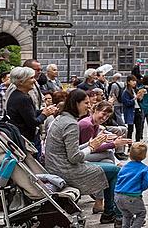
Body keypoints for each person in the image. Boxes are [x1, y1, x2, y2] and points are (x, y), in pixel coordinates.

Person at [44, 89, 122, 225]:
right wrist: (91, 147)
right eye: (86, 103)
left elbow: (70, 151)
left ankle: (111, 212)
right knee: (115, 171)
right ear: (76, 103)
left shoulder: (62, 119)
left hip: (57, 167)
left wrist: (90, 144)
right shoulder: (71, 124)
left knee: (110, 166)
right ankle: (114, 214)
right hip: (66, 170)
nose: (89, 106)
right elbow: (74, 158)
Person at [6, 66, 57, 152]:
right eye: (31, 78)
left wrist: (45, 110)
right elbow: (33, 122)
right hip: (26, 140)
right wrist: (45, 114)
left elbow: (29, 113)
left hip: (23, 137)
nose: (34, 81)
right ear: (21, 82)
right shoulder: (22, 98)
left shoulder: (19, 95)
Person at [114, 142, 148, 228]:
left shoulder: (124, 167)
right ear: (144, 156)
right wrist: (140, 189)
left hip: (118, 196)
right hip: (132, 196)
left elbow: (119, 179)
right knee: (141, 214)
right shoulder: (144, 168)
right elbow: (147, 183)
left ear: (130, 154)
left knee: (127, 215)